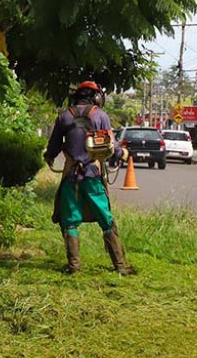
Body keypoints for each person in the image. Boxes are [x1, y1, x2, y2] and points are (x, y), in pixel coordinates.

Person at [44, 80, 134, 275]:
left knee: (69, 221)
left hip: (71, 176)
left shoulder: (64, 116)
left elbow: (53, 147)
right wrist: (122, 154)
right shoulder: (100, 115)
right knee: (106, 219)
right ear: (96, 97)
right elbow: (112, 144)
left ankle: (74, 267)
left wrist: (49, 158)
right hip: (93, 175)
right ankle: (121, 266)